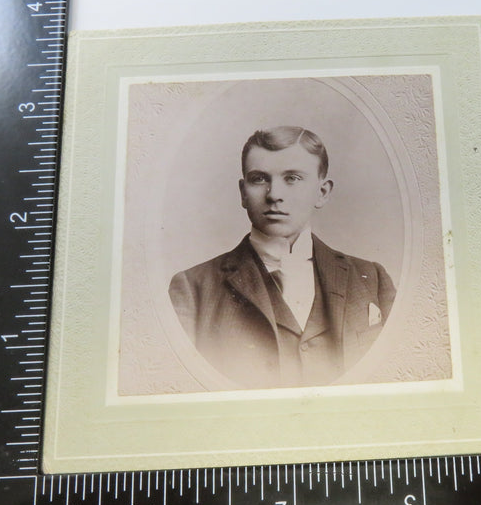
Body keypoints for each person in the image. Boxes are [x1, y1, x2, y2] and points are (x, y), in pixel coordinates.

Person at [169, 126, 395, 389]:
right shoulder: (193, 290)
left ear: (322, 192)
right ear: (243, 192)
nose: (274, 194)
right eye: (259, 179)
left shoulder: (372, 280)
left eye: (292, 178)